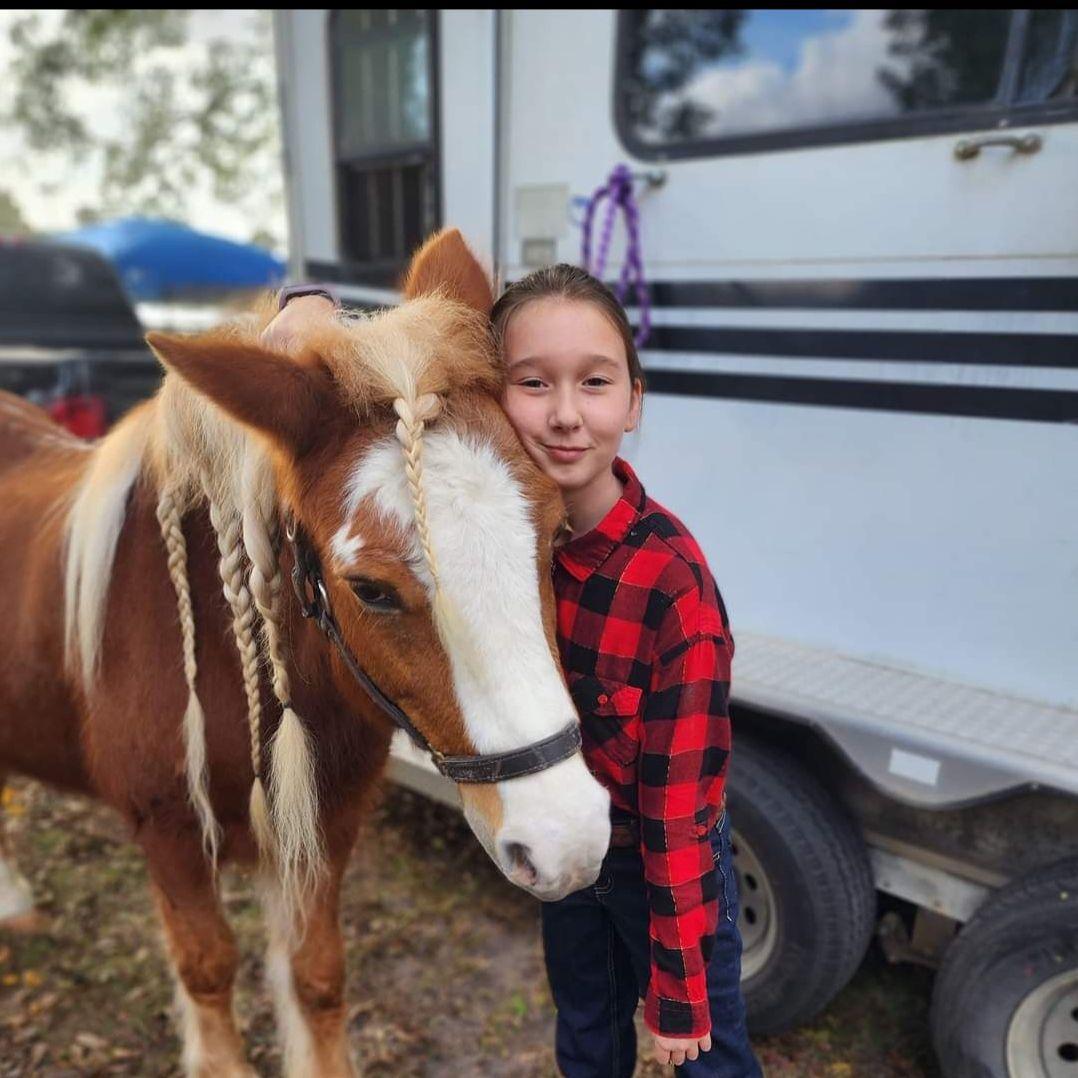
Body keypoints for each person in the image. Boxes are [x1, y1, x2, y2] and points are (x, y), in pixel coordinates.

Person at [268, 267, 761, 1076]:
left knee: (710, 1058)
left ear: (633, 403)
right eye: (533, 383)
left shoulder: (673, 585)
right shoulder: (494, 542)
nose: (565, 413)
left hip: (660, 864)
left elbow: (680, 811)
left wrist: (680, 992)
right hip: (570, 838)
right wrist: (308, 298)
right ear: (490, 392)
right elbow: (397, 367)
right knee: (586, 1033)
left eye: (595, 383)